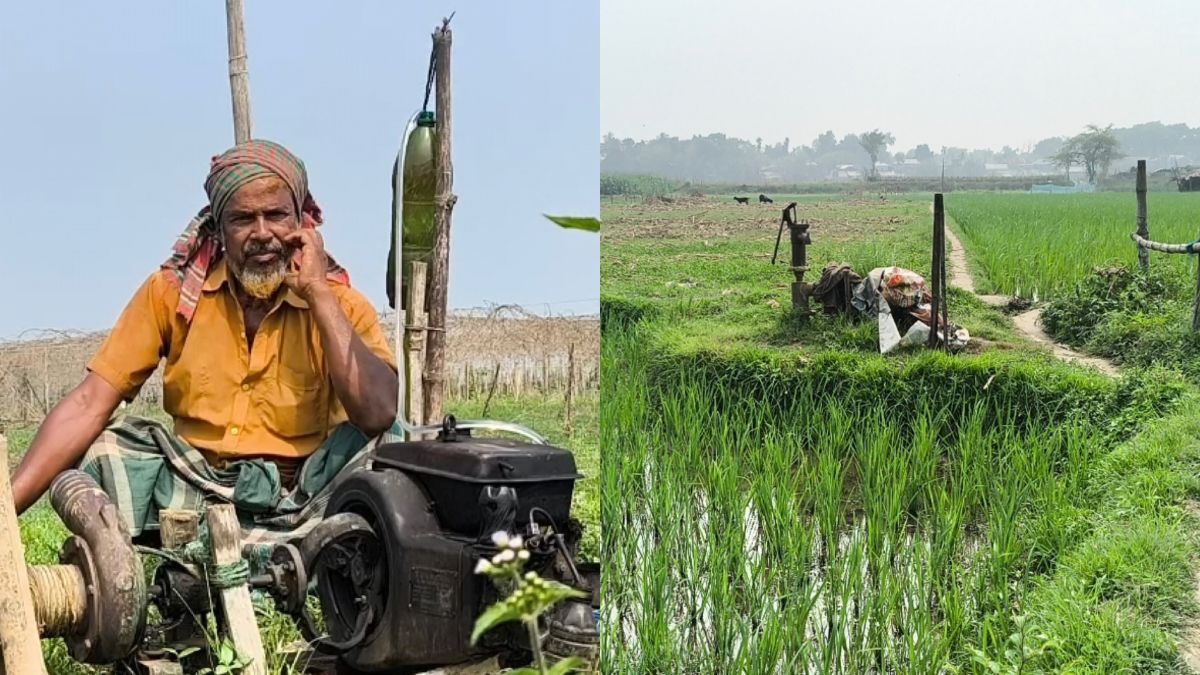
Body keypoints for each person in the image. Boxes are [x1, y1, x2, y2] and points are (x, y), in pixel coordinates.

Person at [10, 140, 399, 543]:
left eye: (277, 215)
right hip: (195, 490)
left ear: (302, 224)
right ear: (218, 227)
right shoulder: (172, 293)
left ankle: (303, 549)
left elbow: (378, 413)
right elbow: (90, 401)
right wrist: (6, 510)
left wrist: (317, 292)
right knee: (104, 449)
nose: (262, 233)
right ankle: (186, 549)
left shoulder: (338, 304)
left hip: (303, 497)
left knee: (390, 442)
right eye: (243, 219)